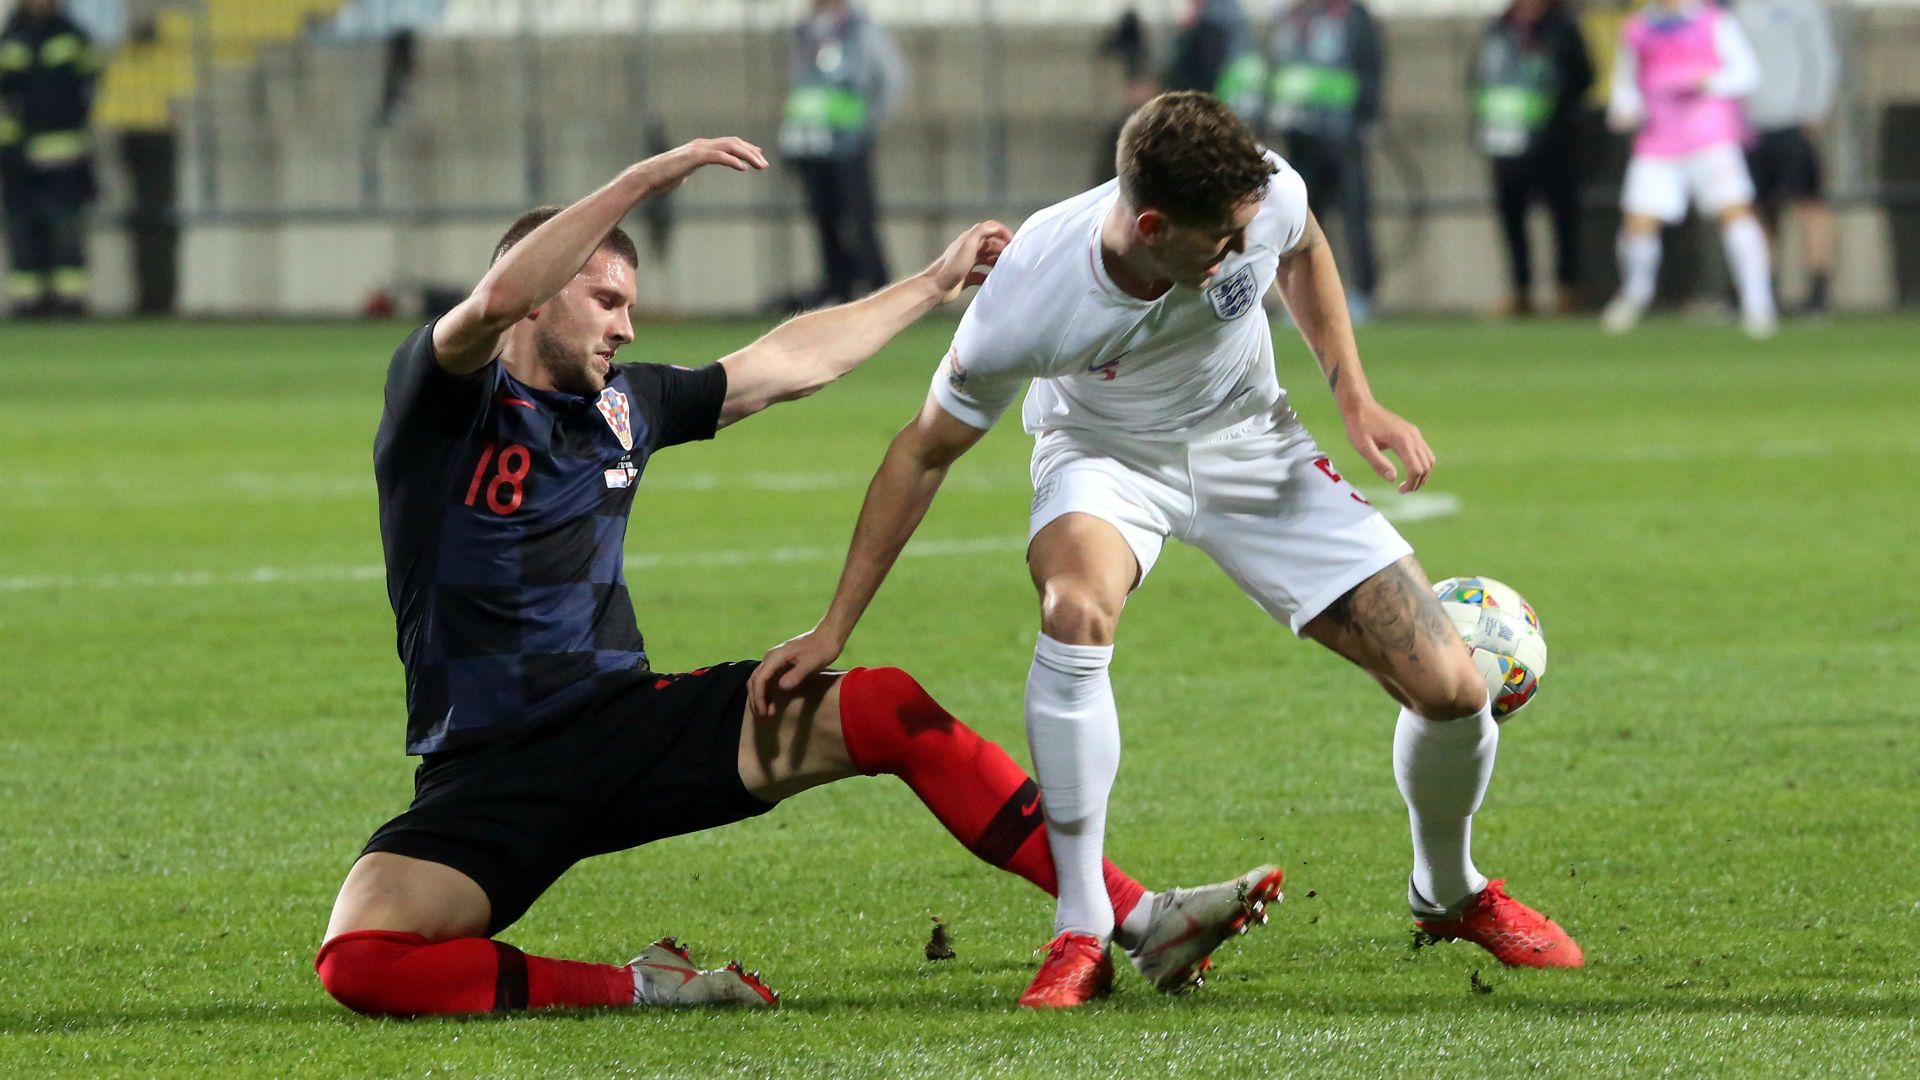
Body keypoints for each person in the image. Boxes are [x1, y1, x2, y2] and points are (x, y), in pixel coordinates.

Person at [315, 138, 1282, 1019]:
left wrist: (932, 286)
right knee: (361, 963)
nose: (625, 324)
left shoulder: (624, 404)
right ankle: (646, 987)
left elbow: (782, 364)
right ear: (541, 291)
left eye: (630, 306)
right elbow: (485, 306)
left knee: (885, 708)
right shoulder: (444, 398)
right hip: (486, 769)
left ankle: (1136, 916)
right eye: (606, 300)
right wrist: (644, 181)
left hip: (620, 729)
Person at [753, 92, 1584, 1010]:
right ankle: (1081, 928)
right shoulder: (1031, 292)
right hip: (1104, 459)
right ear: (1151, 225)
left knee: (1455, 689)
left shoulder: (1258, 197)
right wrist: (834, 627)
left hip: (1252, 444)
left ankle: (1448, 890)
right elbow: (921, 450)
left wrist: (1355, 395)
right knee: (1075, 608)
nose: (1240, 253)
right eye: (1220, 244)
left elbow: (1302, 246)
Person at [1600, 0, 1776, 338]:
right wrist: (1625, 108)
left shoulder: (1714, 22)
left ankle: (1758, 304)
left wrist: (1705, 82)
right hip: (1658, 140)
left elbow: (1746, 74)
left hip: (1710, 138)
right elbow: (1627, 82)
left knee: (1735, 214)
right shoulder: (1638, 28)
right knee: (1638, 221)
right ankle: (1636, 294)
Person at [1472, 0, 1595, 317]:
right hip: (1506, 140)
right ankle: (1520, 290)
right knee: (1512, 219)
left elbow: (1583, 76)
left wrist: (1557, 112)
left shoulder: (1562, 26)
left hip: (1553, 142)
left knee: (1562, 218)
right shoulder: (1498, 27)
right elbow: (1477, 78)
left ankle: (1567, 288)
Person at [1261, 0, 1382, 323]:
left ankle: (1361, 295)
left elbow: (1370, 69)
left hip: (1343, 136)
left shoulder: (1352, 16)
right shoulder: (1289, 18)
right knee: (1302, 220)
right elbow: (1276, 71)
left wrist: (1367, 122)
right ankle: (1305, 300)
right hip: (1299, 139)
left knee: (1354, 216)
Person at [779, 0, 904, 306]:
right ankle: (838, 285)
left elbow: (890, 78)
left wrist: (867, 123)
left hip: (848, 145)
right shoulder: (805, 32)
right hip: (811, 145)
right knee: (824, 220)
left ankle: (877, 285)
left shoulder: (861, 31)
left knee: (859, 218)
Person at [1733, 0, 1840, 316]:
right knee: (1757, 210)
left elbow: (1822, 59)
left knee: (1808, 204)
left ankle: (1817, 293)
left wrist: (1815, 109)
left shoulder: (1804, 8)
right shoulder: (1737, 10)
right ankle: (1761, 291)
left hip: (1793, 121)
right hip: (1748, 126)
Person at [0, 0, 97, 317]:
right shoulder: (11, 38)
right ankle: (28, 301)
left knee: (66, 226)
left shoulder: (72, 35)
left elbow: (89, 86)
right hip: (17, 153)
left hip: (64, 149)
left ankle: (69, 300)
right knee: (22, 227)